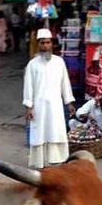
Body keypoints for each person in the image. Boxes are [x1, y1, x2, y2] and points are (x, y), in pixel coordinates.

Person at [23, 28, 76, 169]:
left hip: (55, 105)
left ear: (52, 44)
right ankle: (39, 162)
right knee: (39, 132)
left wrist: (69, 102)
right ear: (38, 44)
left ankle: (57, 159)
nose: (45, 45)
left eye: (48, 42)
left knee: (56, 130)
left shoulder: (59, 62)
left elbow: (65, 83)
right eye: (42, 43)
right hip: (39, 105)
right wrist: (29, 106)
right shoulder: (32, 65)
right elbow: (28, 87)